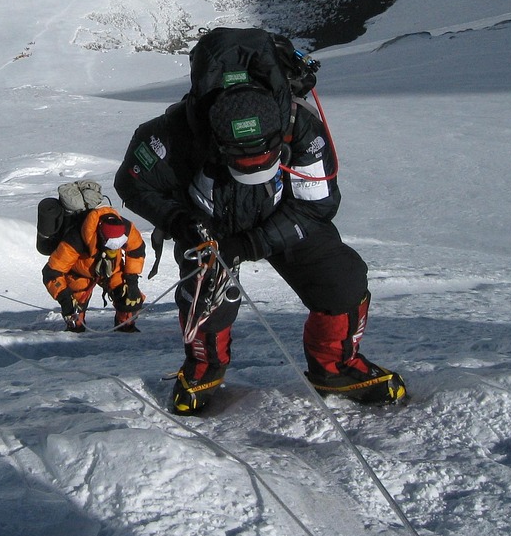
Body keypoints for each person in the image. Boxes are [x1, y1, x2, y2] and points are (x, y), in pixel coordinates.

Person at [114, 29, 406, 414]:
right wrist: (180, 221)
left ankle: (335, 368)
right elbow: (132, 181)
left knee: (342, 279)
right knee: (205, 300)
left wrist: (254, 242)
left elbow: (317, 205)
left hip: (281, 214)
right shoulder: (173, 133)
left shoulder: (300, 126)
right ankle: (204, 368)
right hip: (207, 224)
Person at [42, 207, 146, 332]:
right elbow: (52, 272)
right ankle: (75, 331)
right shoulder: (75, 239)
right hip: (79, 275)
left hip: (112, 271)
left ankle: (125, 325)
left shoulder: (127, 228)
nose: (113, 250)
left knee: (131, 301)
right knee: (75, 318)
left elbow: (136, 250)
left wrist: (132, 283)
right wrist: (65, 300)